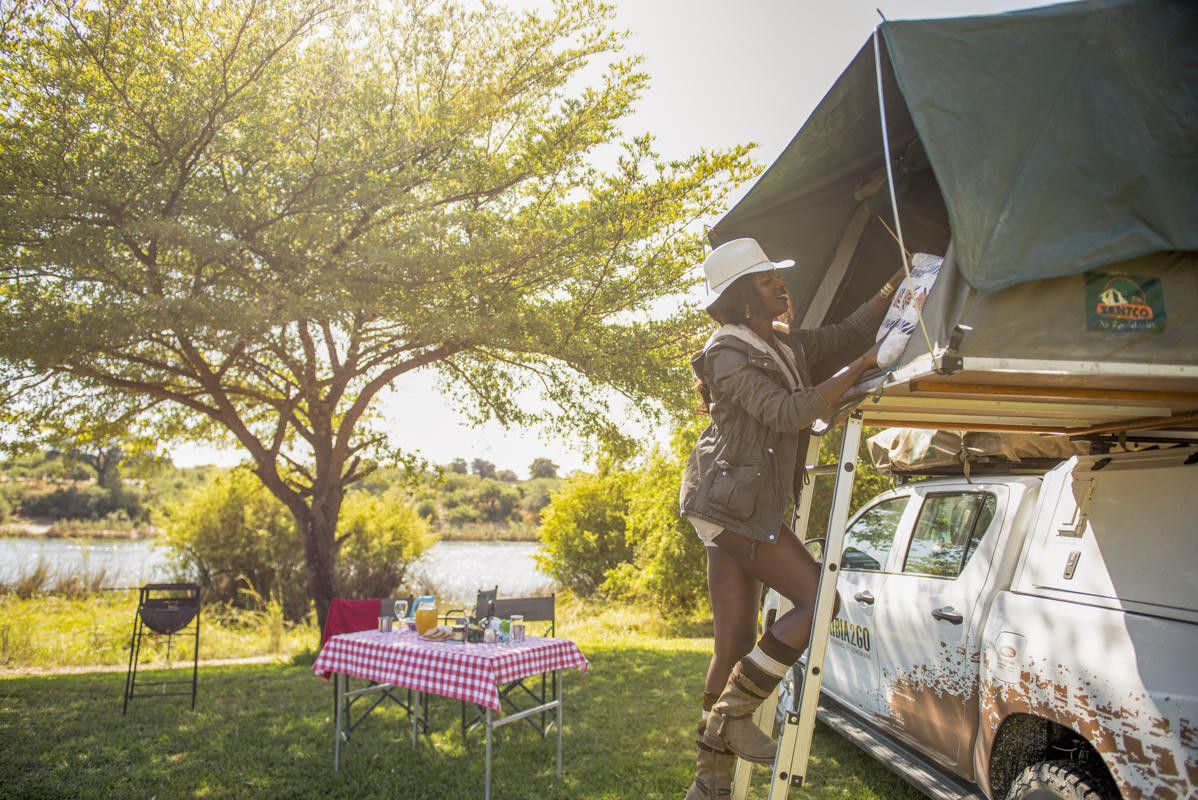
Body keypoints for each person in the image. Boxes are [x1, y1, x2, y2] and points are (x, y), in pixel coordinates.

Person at [678, 237, 903, 799]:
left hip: (738, 502)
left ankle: (709, 783)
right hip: (732, 504)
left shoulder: (778, 342)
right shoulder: (726, 352)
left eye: (776, 275)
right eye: (766, 279)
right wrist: (864, 366)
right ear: (741, 296)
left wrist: (894, 287)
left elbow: (845, 332)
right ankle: (730, 717)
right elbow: (785, 413)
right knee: (819, 600)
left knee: (733, 642)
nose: (779, 283)